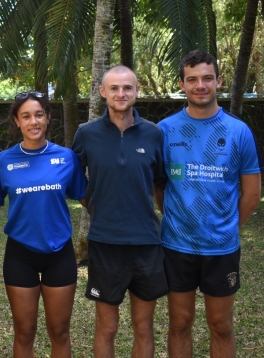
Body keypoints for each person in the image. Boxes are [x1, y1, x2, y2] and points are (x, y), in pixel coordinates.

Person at [154, 50, 262, 358]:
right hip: (177, 246)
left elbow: (252, 195)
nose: (200, 85)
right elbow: (159, 187)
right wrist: (178, 218)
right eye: (192, 80)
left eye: (206, 78)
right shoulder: (165, 131)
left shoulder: (238, 131)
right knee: (179, 323)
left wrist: (224, 227)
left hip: (221, 248)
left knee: (221, 325)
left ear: (218, 81)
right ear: (182, 84)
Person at [71, 65, 169, 358]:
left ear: (137, 91)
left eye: (127, 87)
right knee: (107, 326)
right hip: (105, 242)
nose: (121, 93)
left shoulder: (153, 134)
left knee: (143, 325)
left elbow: (160, 181)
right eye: (114, 88)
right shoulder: (87, 133)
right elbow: (74, 179)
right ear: (103, 92)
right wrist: (94, 203)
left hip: (147, 244)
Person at [0, 91, 86, 358]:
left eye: (39, 115)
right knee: (24, 331)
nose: (33, 122)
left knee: (60, 331)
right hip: (20, 254)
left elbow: (89, 199)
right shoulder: (3, 161)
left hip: (60, 253)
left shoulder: (66, 158)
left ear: (48, 118)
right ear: (17, 121)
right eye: (26, 116)